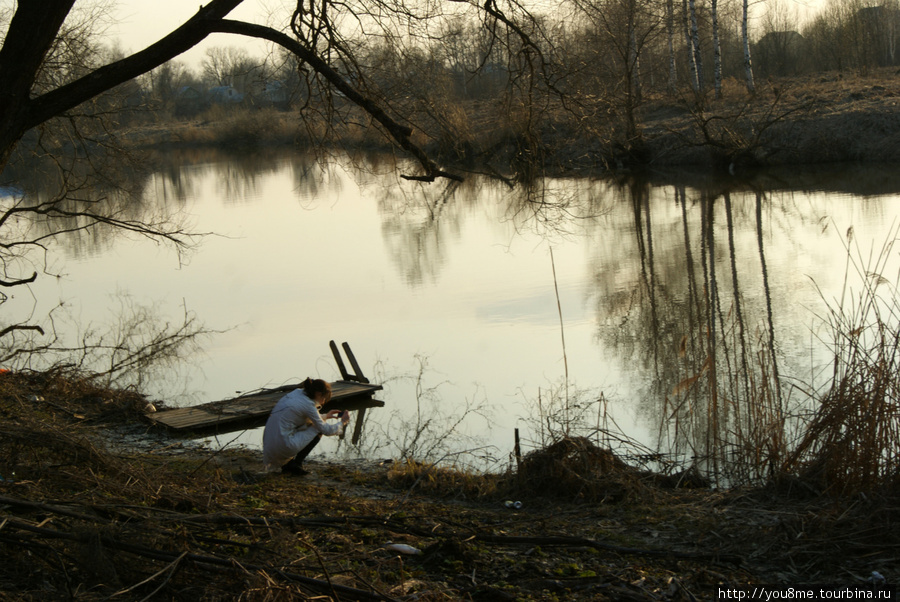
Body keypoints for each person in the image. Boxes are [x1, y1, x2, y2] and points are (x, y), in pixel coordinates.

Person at [262, 377, 350, 475]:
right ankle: (296, 464)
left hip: (269, 443)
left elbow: (304, 419)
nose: (323, 402)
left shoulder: (296, 394)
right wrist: (343, 422)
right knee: (318, 429)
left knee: (310, 425)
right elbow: (326, 430)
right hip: (283, 446)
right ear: (318, 394)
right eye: (324, 398)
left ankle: (289, 464)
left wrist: (326, 416)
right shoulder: (308, 405)